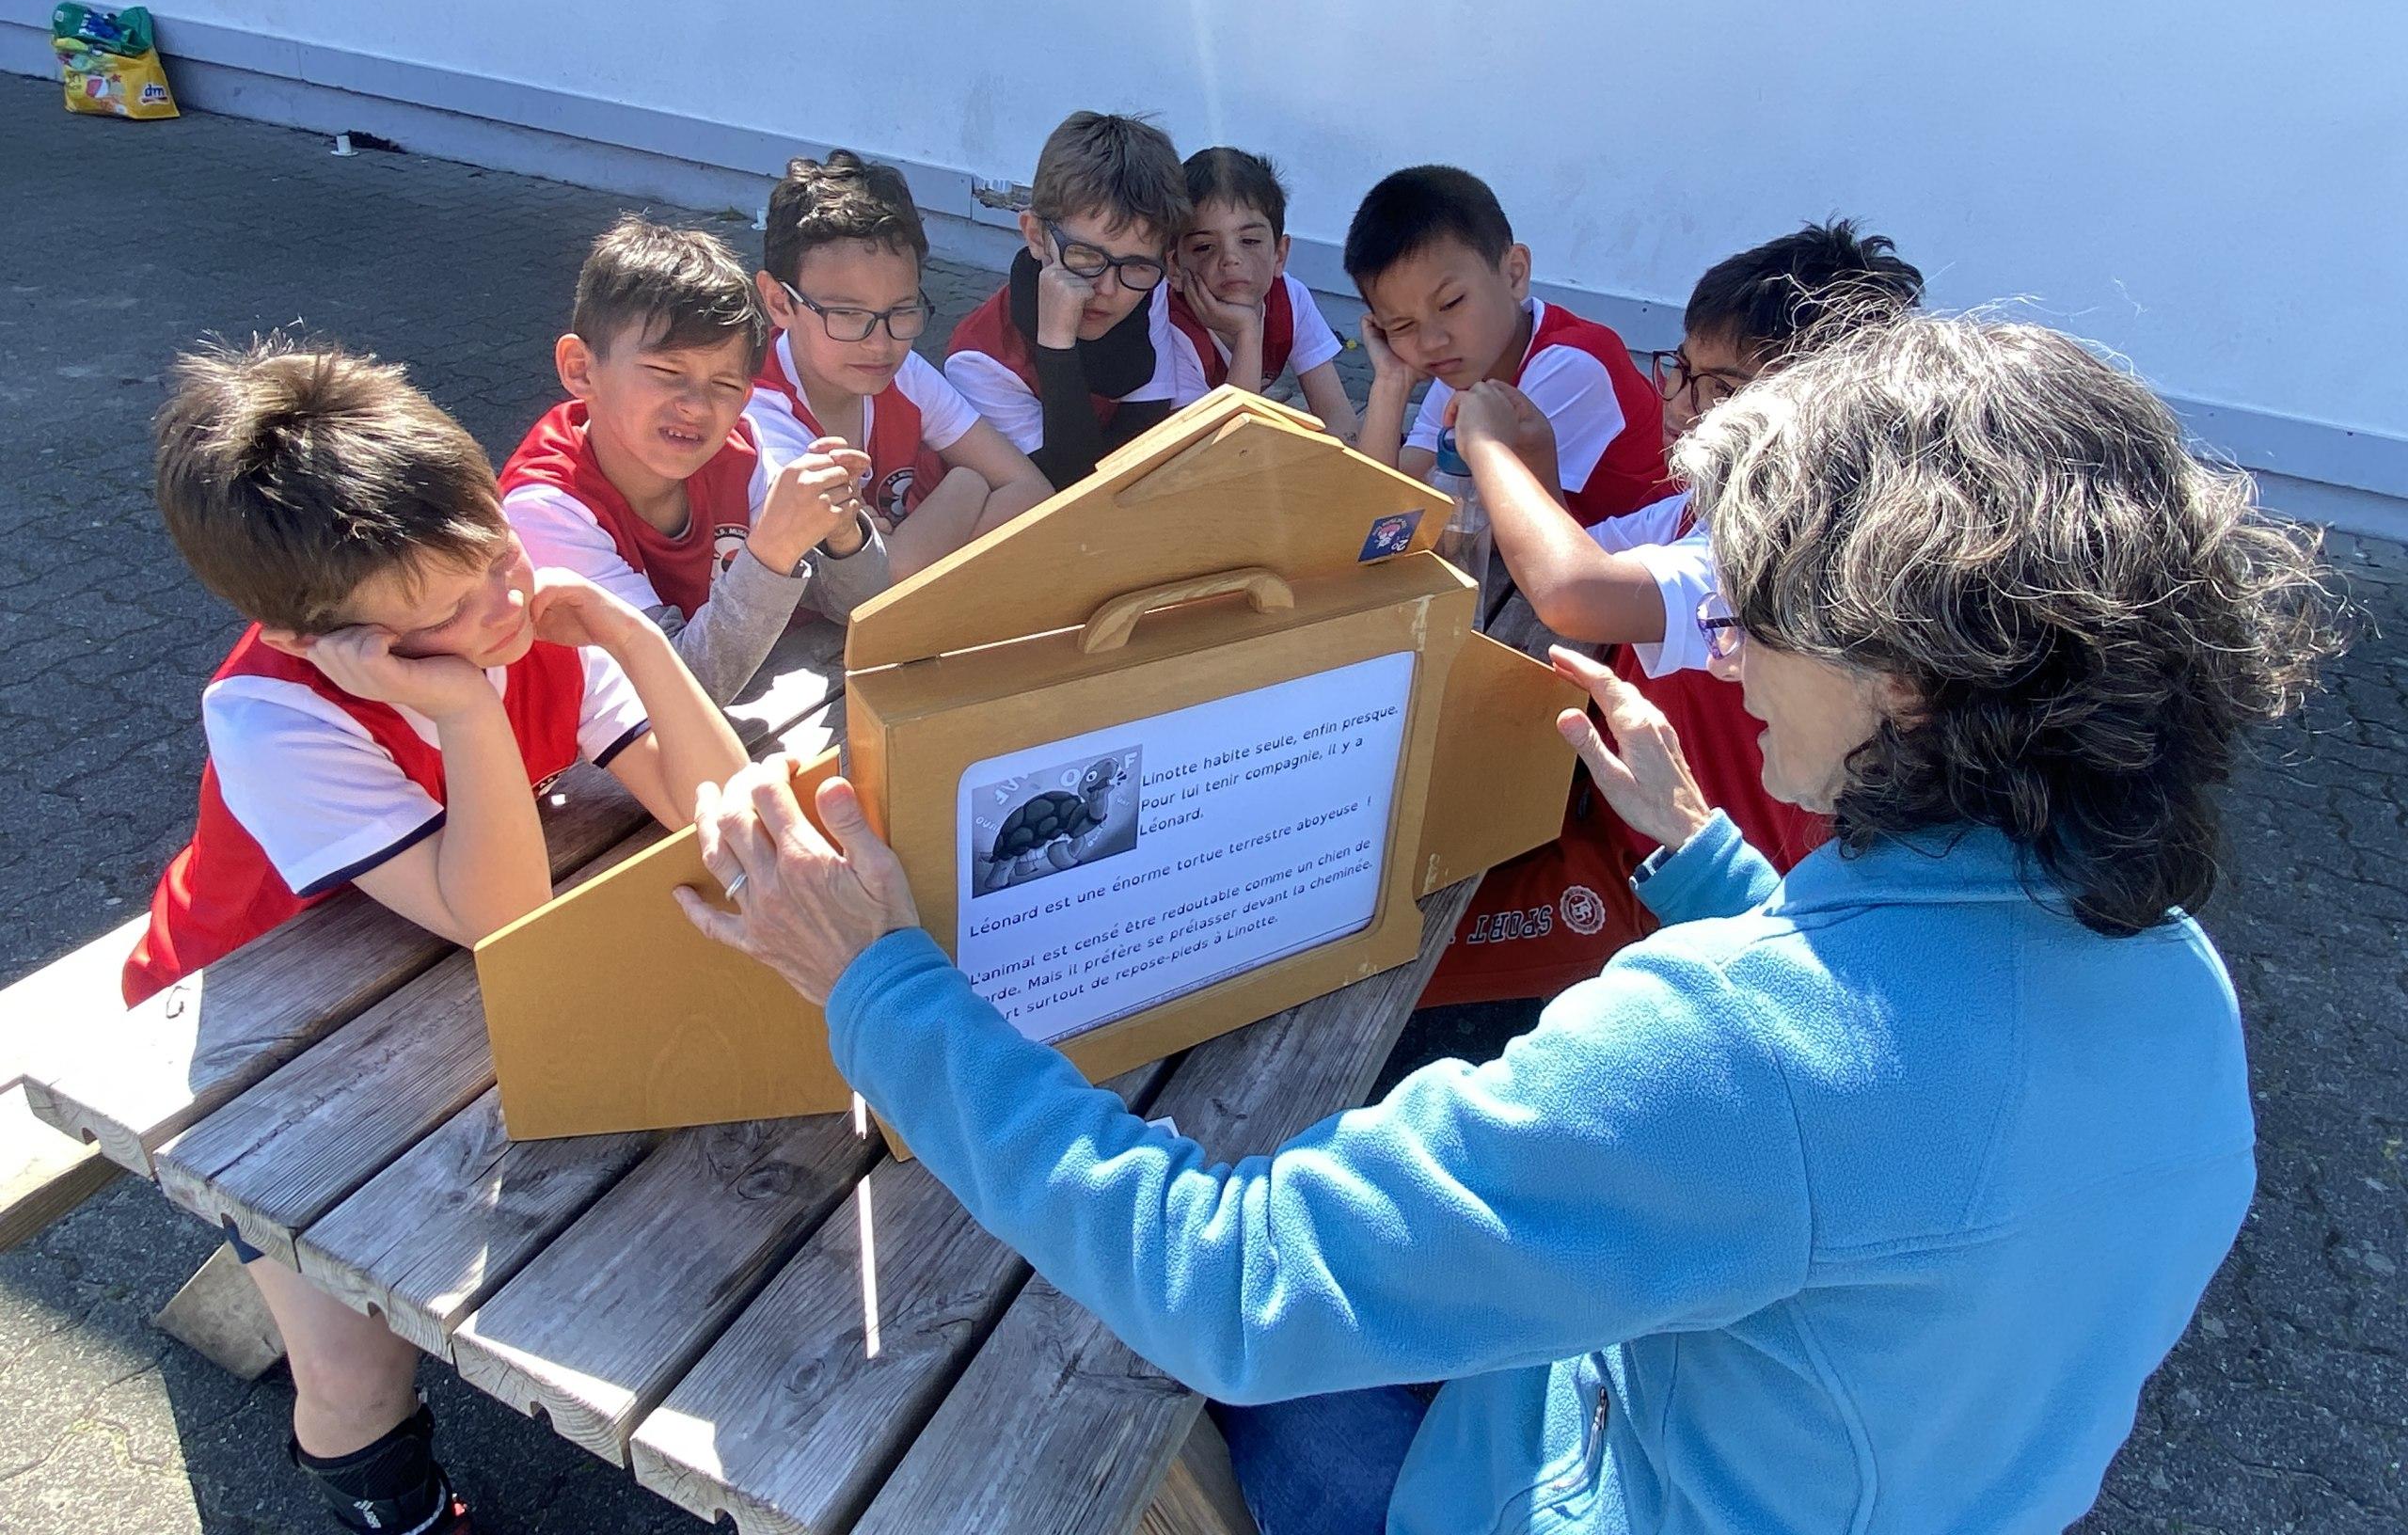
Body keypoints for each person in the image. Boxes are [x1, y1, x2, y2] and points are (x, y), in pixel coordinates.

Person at [677, 315, 2337, 1535]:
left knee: (1127, 1398)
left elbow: (1226, 1278)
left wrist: (879, 978)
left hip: (1546, 1482)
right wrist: (1705, 860)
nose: (1728, 648)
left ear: (1902, 677)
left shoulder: (1731, 1054)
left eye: (1756, 608)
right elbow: (1899, 1099)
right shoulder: (2174, 975)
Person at [135, 338, 749, 1535]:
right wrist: (465, 712)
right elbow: (504, 925)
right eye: (446, 620)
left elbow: (713, 811)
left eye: (499, 559)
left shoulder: (512, 602)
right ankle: (395, 1506)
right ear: (317, 639)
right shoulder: (270, 711)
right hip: (267, 1030)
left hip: (428, 978)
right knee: (356, 1370)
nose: (506, 608)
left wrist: (633, 638)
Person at [1421, 221, 1925, 1006]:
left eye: (1721, 389)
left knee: (1400, 949)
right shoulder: (1699, 509)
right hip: (1621, 819)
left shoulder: (1783, 551)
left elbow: (1571, 592)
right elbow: (1582, 566)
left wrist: (1486, 447)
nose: (1681, 404)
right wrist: (1538, 456)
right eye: (1681, 369)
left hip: (1679, 892)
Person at [501, 216, 888, 704]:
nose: (697, 406)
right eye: (667, 371)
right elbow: (674, 691)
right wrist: (772, 551)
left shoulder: (738, 452)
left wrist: (842, 535)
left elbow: (863, 611)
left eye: (723, 385)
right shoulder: (544, 511)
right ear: (580, 369)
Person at [751, 150, 1051, 575]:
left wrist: (909, 548)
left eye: (902, 311)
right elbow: (865, 588)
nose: (880, 344)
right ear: (779, 302)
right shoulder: (760, 420)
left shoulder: (902, 372)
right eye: (847, 314)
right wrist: (967, 485)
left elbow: (1033, 491)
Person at [1346, 165, 1669, 526]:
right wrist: (1391, 382)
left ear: (1514, 274)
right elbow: (1382, 505)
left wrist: (1388, 513)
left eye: (1451, 303)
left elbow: (1450, 525)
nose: (1432, 341)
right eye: (1403, 325)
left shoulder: (1572, 366)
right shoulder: (1464, 363)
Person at [943, 111, 1217, 487]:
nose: (1107, 288)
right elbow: (1071, 485)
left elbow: (1146, 424)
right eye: (1085, 257)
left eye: (1136, 264)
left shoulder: (1142, 283)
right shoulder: (979, 361)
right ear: (1036, 236)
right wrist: (1056, 345)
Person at [1165, 147, 1359, 439]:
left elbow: (1339, 419)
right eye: (1204, 247)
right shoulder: (1170, 330)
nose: (1230, 259)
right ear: (1175, 268)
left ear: (1279, 254)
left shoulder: (1290, 299)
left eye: (1250, 241)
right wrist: (1247, 331)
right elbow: (1221, 448)